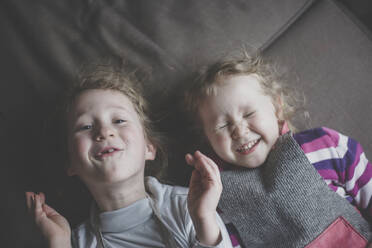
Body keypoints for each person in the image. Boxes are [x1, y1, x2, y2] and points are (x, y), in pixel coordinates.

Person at [25, 64, 233, 248]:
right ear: (70, 163)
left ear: (149, 148)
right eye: (86, 126)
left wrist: (203, 221)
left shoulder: (188, 206)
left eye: (119, 121)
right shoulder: (77, 242)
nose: (104, 132)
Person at [183, 54, 372, 247]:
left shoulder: (325, 145)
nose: (239, 131)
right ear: (207, 139)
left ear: (276, 107)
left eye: (249, 114)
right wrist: (204, 217)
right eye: (222, 126)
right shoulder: (219, 197)